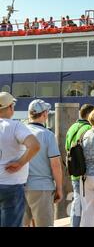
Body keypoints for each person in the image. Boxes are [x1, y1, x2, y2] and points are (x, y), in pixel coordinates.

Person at [0, 92, 40, 227]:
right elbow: (34, 146)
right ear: (11, 107)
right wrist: (19, 163)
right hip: (12, 184)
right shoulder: (16, 126)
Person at [23, 100, 63, 227]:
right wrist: (59, 188)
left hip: (19, 186)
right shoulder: (48, 135)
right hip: (42, 187)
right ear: (45, 114)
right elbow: (55, 164)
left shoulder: (19, 132)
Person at [65, 104, 94, 227]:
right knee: (84, 202)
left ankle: (74, 224)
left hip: (74, 169)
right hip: (84, 171)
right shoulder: (88, 128)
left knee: (77, 200)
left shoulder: (72, 127)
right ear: (89, 114)